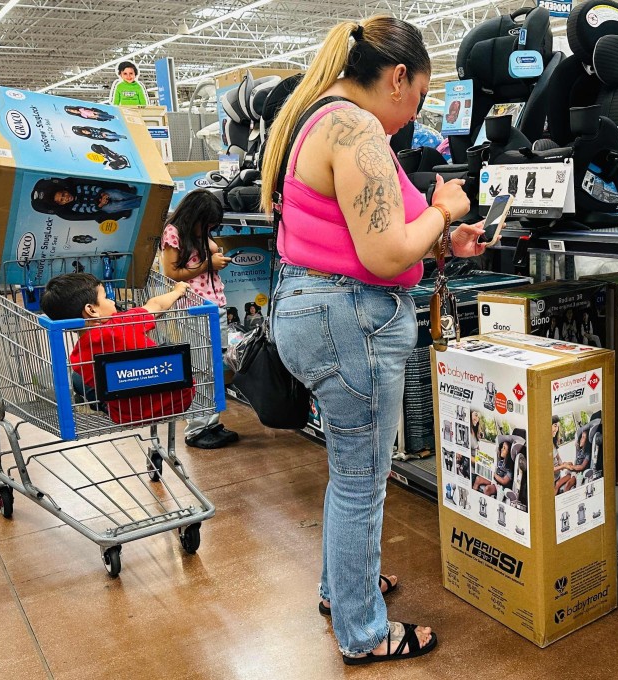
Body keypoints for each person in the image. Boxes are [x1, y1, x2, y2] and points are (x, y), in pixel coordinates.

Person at [260, 15, 486, 664]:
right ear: (397, 77)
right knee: (362, 481)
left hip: (321, 312)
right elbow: (386, 253)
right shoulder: (355, 126)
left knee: (350, 473)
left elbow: (370, 223)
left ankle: (344, 588)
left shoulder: (322, 116)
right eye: (418, 94)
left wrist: (439, 232)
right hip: (349, 320)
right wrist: (444, 210)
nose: (416, 110)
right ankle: (363, 632)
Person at [39, 273, 195, 425]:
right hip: (179, 402)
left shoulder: (77, 358)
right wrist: (177, 291)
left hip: (127, 416)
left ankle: (94, 405)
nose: (112, 302)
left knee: (78, 380)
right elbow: (156, 305)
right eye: (106, 297)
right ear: (91, 310)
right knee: (167, 350)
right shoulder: (125, 322)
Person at [159, 189, 239, 449]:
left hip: (215, 305)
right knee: (200, 368)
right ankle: (196, 429)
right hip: (194, 309)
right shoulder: (173, 233)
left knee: (214, 367)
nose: (209, 229)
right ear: (194, 216)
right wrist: (208, 265)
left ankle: (211, 422)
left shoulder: (199, 232)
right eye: (207, 224)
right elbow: (172, 272)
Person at [31, 177, 141, 221]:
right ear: (60, 204)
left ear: (64, 190)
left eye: (64, 194)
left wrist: (101, 193)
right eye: (62, 200)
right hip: (100, 207)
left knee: (117, 194)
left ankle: (135, 197)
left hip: (103, 193)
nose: (66, 198)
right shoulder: (73, 207)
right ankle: (140, 202)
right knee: (115, 206)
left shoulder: (76, 188)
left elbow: (91, 186)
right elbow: (88, 212)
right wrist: (100, 205)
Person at [552, 415, 576, 495]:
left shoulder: (553, 442)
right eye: (555, 426)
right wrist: (563, 467)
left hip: (557, 476)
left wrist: (564, 463)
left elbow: (558, 458)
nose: (557, 429)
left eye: (558, 426)